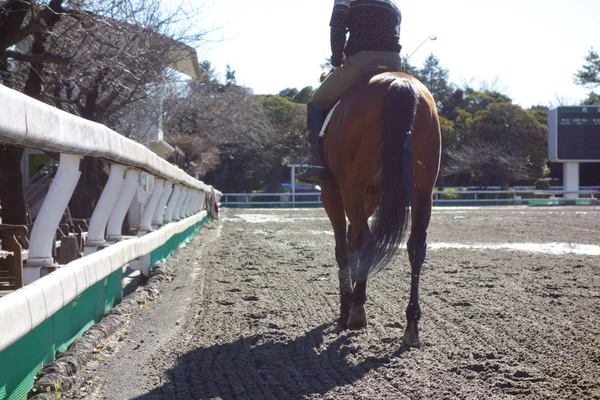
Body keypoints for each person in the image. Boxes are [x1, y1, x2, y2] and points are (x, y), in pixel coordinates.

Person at [297, 0, 403, 184]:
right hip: (394, 63)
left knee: (316, 104)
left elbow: (337, 27)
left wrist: (337, 59)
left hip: (360, 61)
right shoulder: (392, 5)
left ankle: (317, 166)